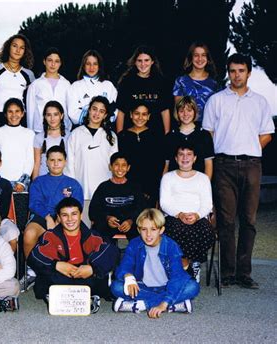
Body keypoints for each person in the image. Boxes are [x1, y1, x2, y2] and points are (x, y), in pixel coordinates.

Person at [202, 53, 274, 289]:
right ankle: (228, 272)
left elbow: (266, 134)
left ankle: (245, 272)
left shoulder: (260, 102)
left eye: (241, 70)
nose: (237, 75)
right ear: (228, 72)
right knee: (226, 220)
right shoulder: (217, 100)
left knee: (249, 219)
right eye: (232, 71)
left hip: (252, 164)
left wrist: (249, 149)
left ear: (249, 73)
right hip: (224, 165)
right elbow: (209, 133)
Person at [28, 197, 119, 313]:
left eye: (74, 214)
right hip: (61, 274)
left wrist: (92, 269)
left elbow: (111, 251)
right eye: (65, 215)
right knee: (45, 279)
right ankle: (77, 296)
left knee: (101, 277)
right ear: (59, 218)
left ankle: (66, 295)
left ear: (81, 215)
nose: (70, 219)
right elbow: (36, 255)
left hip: (85, 274)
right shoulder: (50, 235)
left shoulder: (92, 236)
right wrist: (56, 265)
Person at [111, 208, 200, 318]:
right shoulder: (134, 244)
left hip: (167, 286)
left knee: (193, 287)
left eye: (153, 229)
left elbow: (177, 277)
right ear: (139, 230)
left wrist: (163, 304)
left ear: (161, 230)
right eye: (144, 229)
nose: (148, 234)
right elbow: (124, 266)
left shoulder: (171, 246)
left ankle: (142, 304)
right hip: (143, 286)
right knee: (116, 286)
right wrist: (128, 275)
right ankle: (174, 305)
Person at [22, 145, 84, 291]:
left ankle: (65, 269)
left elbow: (78, 206)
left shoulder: (73, 184)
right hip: (42, 218)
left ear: (65, 162)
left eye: (59, 160)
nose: (56, 163)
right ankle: (32, 269)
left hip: (66, 218)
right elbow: (34, 204)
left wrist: (60, 219)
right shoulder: (38, 182)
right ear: (46, 162)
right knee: (29, 234)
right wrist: (48, 217)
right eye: (52, 160)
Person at [160, 143, 215, 282]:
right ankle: (183, 264)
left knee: (206, 231)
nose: (185, 158)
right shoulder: (168, 177)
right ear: (176, 158)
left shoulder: (203, 178)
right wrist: (180, 214)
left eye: (189, 154)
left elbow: (208, 203)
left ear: (195, 158)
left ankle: (193, 263)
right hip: (174, 216)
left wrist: (196, 215)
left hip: (198, 216)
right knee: (175, 230)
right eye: (181, 154)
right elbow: (164, 203)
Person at [66, 96, 118, 201]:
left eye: (101, 111)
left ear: (105, 115)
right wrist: (72, 187)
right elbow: (69, 164)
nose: (97, 114)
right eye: (94, 109)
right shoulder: (76, 134)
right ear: (89, 110)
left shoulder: (111, 136)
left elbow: (115, 164)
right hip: (81, 189)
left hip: (104, 190)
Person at [116, 45, 171, 135]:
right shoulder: (127, 82)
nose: (143, 64)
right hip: (132, 134)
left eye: (146, 60)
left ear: (152, 61)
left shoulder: (160, 82)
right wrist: (120, 135)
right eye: (139, 61)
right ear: (135, 62)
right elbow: (121, 112)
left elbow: (165, 111)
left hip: (155, 134)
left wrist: (167, 134)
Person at [117, 102, 164, 207]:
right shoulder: (122, 136)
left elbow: (160, 163)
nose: (140, 117)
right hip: (127, 187)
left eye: (144, 114)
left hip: (150, 187)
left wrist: (153, 189)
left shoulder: (156, 135)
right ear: (130, 114)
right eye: (137, 113)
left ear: (149, 116)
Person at [89, 152, 143, 242]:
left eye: (123, 165)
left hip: (130, 225)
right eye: (116, 165)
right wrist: (107, 218)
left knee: (141, 232)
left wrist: (131, 221)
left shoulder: (134, 187)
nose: (120, 169)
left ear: (128, 168)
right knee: (98, 233)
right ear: (110, 167)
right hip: (107, 225)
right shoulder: (103, 187)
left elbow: (142, 208)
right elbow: (93, 210)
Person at [0, 34, 35, 130]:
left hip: (19, 118)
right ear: (8, 48)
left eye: (22, 48)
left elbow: (31, 102)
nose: (18, 50)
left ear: (25, 52)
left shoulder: (29, 74)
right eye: (15, 46)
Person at [163, 96, 214, 179]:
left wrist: (206, 186)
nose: (185, 114)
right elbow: (166, 165)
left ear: (195, 112)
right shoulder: (170, 136)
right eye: (181, 111)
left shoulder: (204, 135)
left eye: (189, 110)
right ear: (177, 113)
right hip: (175, 185)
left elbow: (208, 165)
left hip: (197, 184)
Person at [0, 98, 35, 192]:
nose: (14, 115)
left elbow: (30, 159)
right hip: (0, 182)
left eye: (17, 111)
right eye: (10, 112)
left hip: (20, 184)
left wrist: (22, 182)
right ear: (5, 114)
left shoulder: (29, 134)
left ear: (22, 113)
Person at [26, 47, 72, 133]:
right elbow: (30, 112)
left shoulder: (66, 84)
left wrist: (68, 129)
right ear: (44, 61)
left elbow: (69, 109)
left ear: (60, 63)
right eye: (50, 60)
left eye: (56, 61)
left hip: (62, 131)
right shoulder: (35, 85)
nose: (53, 64)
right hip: (40, 130)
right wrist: (30, 134)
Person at [66, 50, 117, 126]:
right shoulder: (75, 86)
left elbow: (114, 110)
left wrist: (102, 121)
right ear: (83, 66)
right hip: (82, 128)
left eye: (95, 64)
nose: (91, 67)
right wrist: (91, 121)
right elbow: (72, 112)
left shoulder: (108, 86)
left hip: (104, 128)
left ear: (99, 66)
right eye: (88, 64)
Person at [173, 42, 219, 123]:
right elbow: (178, 112)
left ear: (208, 58)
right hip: (187, 129)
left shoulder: (215, 83)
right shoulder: (181, 81)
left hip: (209, 129)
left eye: (203, 55)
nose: (200, 59)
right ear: (191, 58)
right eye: (196, 55)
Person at [32, 101, 70, 179]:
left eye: (56, 114)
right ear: (45, 117)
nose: (52, 118)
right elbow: (36, 163)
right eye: (49, 115)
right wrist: (35, 184)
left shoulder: (70, 136)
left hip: (63, 179)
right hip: (43, 180)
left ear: (61, 115)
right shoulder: (39, 137)